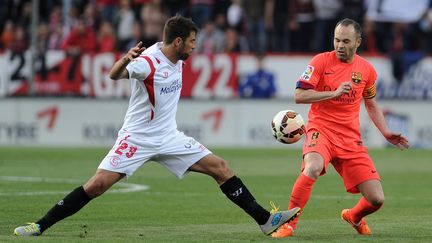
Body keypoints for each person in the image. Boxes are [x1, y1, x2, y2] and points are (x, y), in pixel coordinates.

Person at [13, 16, 300, 237]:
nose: (194, 46)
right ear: (177, 42)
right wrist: (124, 60)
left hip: (168, 137)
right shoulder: (148, 62)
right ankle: (39, 226)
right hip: (136, 138)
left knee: (221, 168)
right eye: (191, 41)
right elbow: (114, 76)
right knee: (96, 185)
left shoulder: (176, 58)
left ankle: (265, 220)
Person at [271, 18, 410, 238]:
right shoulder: (320, 61)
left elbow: (371, 104)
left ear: (358, 42)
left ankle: (353, 216)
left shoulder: (367, 70)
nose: (340, 46)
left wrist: (385, 132)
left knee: (376, 199)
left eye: (346, 41)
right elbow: (298, 95)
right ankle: (288, 224)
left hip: (350, 139)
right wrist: (333, 93)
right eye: (337, 40)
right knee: (313, 167)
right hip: (321, 130)